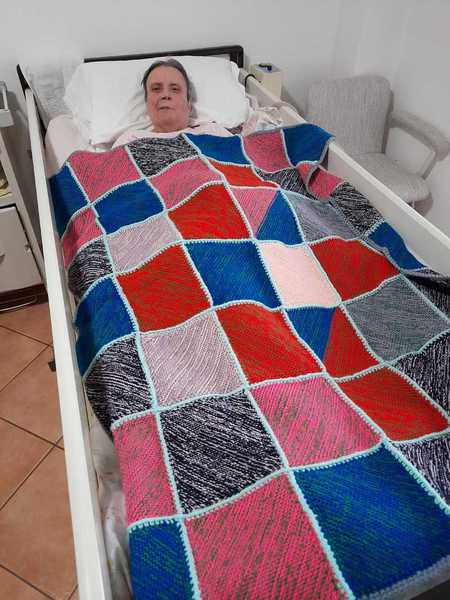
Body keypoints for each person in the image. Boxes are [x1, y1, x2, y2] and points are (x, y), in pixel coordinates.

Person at [112, 59, 232, 146]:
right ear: (147, 104)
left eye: (175, 89)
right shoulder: (130, 140)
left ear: (189, 105)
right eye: (156, 89)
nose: (165, 95)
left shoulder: (213, 132)